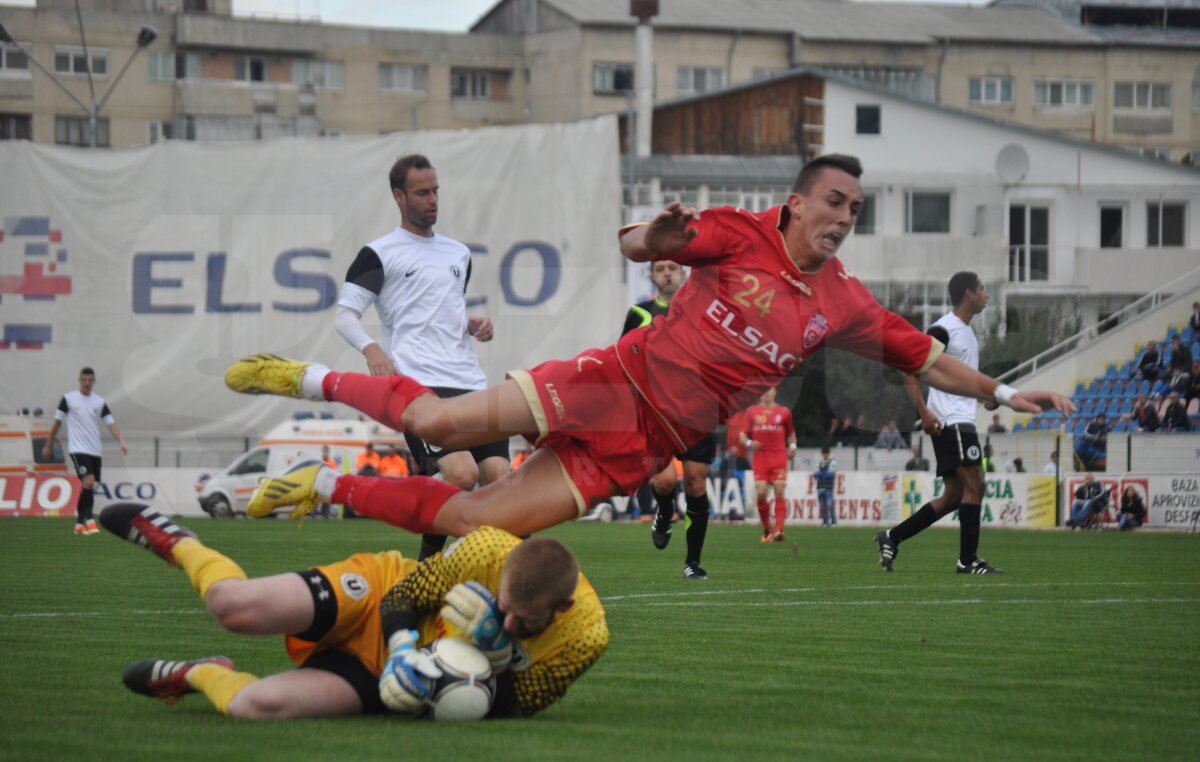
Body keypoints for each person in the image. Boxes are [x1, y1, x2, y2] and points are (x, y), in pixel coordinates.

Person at [225, 154, 1072, 546]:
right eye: (835, 201)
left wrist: (1003, 392)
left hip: (644, 444)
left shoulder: (844, 300)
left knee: (480, 522)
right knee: (438, 426)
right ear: (796, 204)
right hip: (610, 383)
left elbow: (926, 360)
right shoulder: (737, 233)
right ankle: (308, 376)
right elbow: (637, 242)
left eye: (856, 208)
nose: (845, 217)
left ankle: (325, 486)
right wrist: (655, 236)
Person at [97, 501, 607, 720]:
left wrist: (474, 669)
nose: (510, 623)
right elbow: (402, 598)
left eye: (524, 622)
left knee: (254, 706)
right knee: (234, 607)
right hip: (377, 595)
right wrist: (404, 648)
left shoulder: (586, 637)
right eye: (504, 608)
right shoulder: (486, 549)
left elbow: (521, 703)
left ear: (562, 607)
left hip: (393, 678)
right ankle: (180, 543)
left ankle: (197, 674)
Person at [334, 153, 508, 561]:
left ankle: (516, 573)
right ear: (399, 196)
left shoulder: (458, 253)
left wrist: (472, 324)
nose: (433, 200)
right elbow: (345, 315)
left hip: (470, 382)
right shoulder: (378, 253)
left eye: (436, 191)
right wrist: (372, 349)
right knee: (462, 474)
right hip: (420, 387)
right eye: (422, 193)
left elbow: (441, 310)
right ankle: (427, 566)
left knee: (501, 480)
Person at [874, 271, 1005, 575]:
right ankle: (968, 561)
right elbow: (909, 365)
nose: (986, 295)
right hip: (950, 421)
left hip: (959, 419)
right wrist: (924, 411)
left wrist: (984, 398)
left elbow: (957, 381)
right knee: (976, 484)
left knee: (954, 496)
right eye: (982, 289)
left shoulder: (967, 333)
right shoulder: (944, 328)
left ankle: (892, 537)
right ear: (968, 293)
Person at [621, 259, 714, 580]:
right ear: (651, 275)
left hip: (697, 410)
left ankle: (693, 562)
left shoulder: (703, 310)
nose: (667, 273)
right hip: (656, 411)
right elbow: (623, 359)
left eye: (673, 268)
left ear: (684, 273)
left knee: (696, 483)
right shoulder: (639, 313)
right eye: (660, 269)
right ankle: (664, 511)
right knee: (663, 482)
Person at [41, 366, 128, 535]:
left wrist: (121, 441)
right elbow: (57, 422)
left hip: (95, 450)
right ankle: (90, 520)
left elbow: (110, 423)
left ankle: (79, 524)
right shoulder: (68, 399)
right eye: (84, 379)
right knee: (89, 481)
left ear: (94, 381)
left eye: (90, 380)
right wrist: (48, 444)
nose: (87, 383)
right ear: (79, 380)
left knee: (88, 485)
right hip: (77, 448)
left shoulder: (99, 401)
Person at [740, 387, 797, 541]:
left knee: (779, 489)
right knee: (761, 492)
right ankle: (767, 529)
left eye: (769, 389)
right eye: (763, 389)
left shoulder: (784, 412)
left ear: (775, 392)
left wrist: (792, 447)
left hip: (778, 456)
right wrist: (750, 443)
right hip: (760, 457)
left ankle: (779, 530)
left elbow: (791, 434)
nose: (766, 392)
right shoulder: (751, 412)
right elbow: (742, 435)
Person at [813, 445, 838, 527]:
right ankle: (825, 522)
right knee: (822, 506)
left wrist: (821, 474)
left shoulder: (832, 462)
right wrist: (824, 473)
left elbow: (831, 474)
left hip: (829, 487)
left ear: (828, 453)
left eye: (826, 453)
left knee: (830, 505)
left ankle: (833, 522)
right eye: (824, 453)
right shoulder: (819, 462)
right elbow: (815, 474)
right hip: (820, 487)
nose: (825, 455)